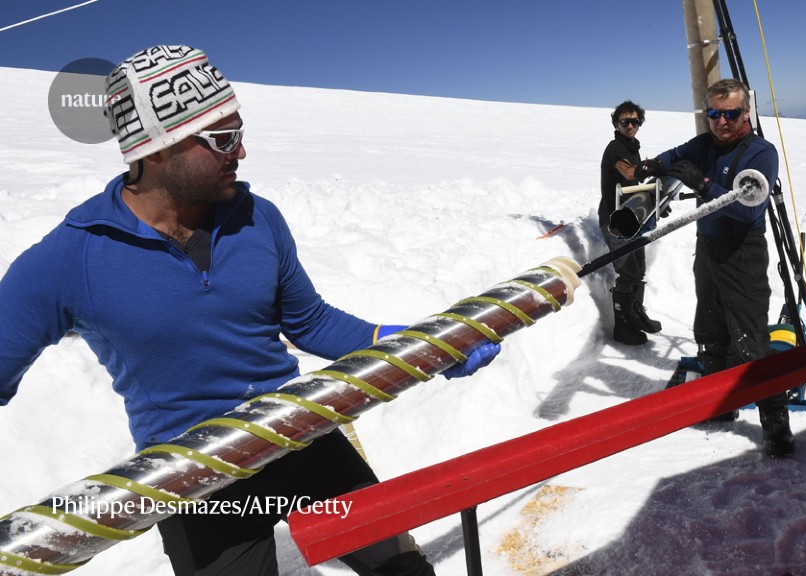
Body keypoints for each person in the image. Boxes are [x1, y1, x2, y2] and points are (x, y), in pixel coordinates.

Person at [0, 45, 500, 575]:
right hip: (193, 478)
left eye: (239, 132)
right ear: (157, 147)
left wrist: (415, 346)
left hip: (301, 433)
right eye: (222, 138)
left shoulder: (258, 219)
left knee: (405, 571)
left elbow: (310, 322)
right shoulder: (68, 259)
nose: (240, 151)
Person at [636, 79, 795, 457]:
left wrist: (704, 183)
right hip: (708, 247)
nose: (722, 121)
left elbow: (748, 209)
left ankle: (776, 425)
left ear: (746, 114)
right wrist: (653, 165)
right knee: (710, 330)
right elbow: (677, 154)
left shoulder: (761, 153)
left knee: (752, 342)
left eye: (731, 114)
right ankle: (721, 405)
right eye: (714, 114)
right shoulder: (704, 143)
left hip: (742, 252)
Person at [598, 100, 662, 345]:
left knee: (639, 268)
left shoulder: (632, 146)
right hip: (616, 220)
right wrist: (652, 166)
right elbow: (628, 173)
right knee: (628, 272)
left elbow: (634, 184)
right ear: (617, 124)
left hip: (632, 216)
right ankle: (623, 326)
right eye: (625, 121)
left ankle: (636, 314)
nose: (631, 125)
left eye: (635, 121)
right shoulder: (616, 147)